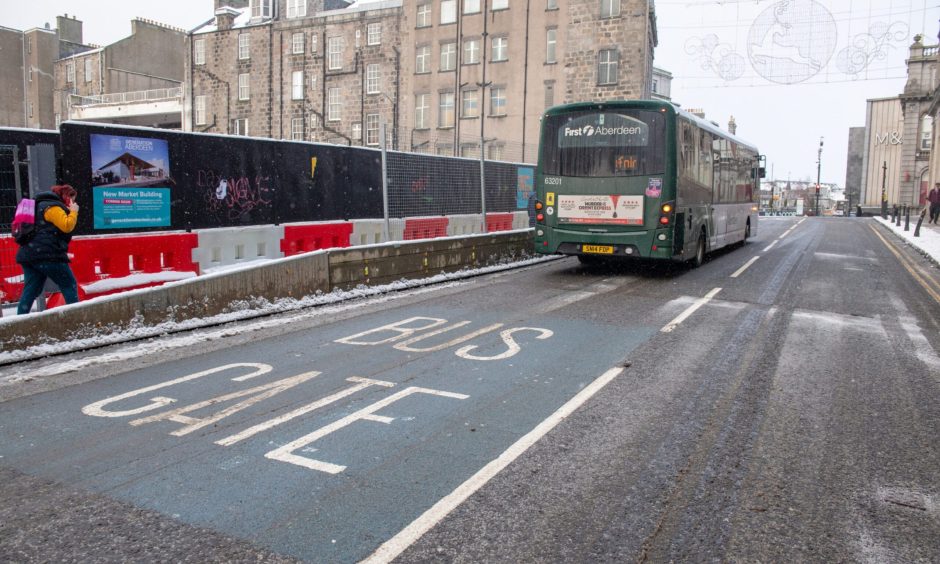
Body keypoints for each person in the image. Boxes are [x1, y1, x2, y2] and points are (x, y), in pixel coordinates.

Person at [15, 185, 80, 314]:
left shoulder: (36, 206)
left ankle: (18, 322)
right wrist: (73, 211)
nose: (73, 202)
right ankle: (76, 318)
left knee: (31, 290)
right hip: (48, 255)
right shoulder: (53, 207)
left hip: (28, 255)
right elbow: (66, 225)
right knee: (68, 284)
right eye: (72, 199)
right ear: (66, 197)